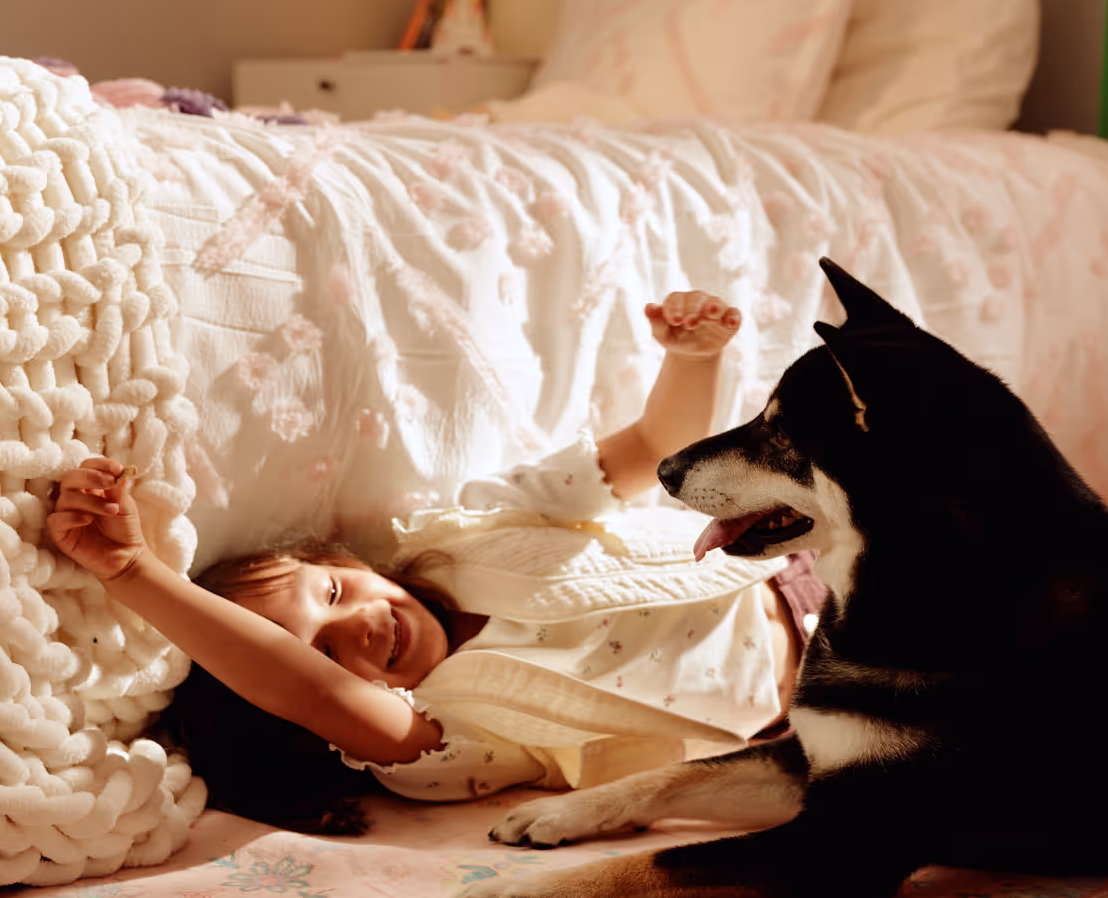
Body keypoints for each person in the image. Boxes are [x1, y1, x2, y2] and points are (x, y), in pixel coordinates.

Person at [47, 292, 827, 832]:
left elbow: (655, 448)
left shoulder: (478, 525)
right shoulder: (445, 736)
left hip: (805, 558)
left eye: (329, 590)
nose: (353, 625)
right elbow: (304, 689)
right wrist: (132, 572)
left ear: (348, 561)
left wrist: (693, 359)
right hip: (814, 692)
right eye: (323, 651)